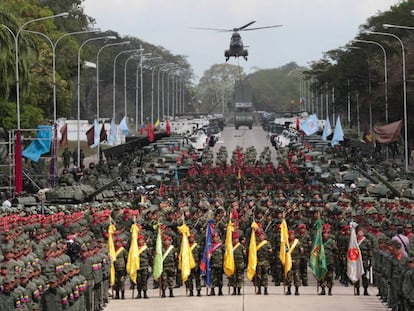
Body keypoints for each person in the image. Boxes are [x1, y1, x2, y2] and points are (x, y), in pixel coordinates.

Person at [255, 229, 272, 295]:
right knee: (259, 276)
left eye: (262, 235)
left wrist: (270, 251)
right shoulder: (256, 243)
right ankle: (259, 289)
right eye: (259, 236)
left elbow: (270, 251)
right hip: (258, 262)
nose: (261, 237)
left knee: (265, 276)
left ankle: (265, 289)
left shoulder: (267, 243)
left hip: (265, 262)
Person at [135, 234, 152, 299]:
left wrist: (151, 265)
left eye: (141, 240)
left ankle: (145, 293)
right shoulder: (135, 249)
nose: (140, 241)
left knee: (144, 280)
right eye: (139, 240)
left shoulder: (146, 249)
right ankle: (139, 293)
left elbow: (149, 257)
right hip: (137, 267)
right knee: (138, 281)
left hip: (144, 267)